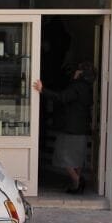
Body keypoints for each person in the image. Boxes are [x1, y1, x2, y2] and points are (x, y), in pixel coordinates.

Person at [32, 61, 95, 194]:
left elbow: (61, 98)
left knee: (63, 156)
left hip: (70, 128)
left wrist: (42, 90)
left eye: (78, 70)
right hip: (82, 128)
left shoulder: (76, 87)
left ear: (81, 73)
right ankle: (76, 185)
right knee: (77, 158)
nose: (75, 72)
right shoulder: (88, 88)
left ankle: (77, 180)